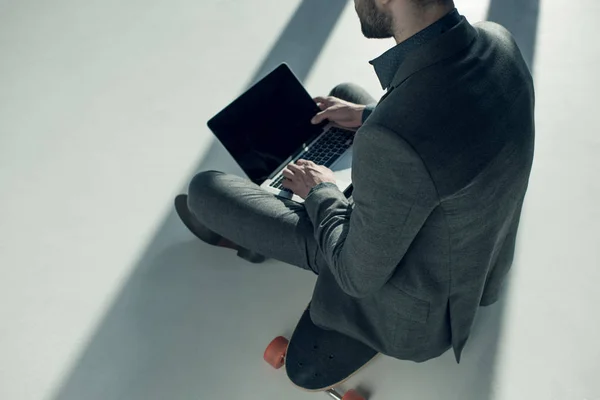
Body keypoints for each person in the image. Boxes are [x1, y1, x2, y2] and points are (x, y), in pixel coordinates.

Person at [175, 0, 534, 363]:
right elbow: (452, 120)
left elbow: (354, 274)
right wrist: (367, 115)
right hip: (473, 263)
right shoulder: (498, 42)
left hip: (411, 311)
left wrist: (321, 190)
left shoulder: (394, 138)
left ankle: (253, 238)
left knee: (205, 191)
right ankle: (267, 221)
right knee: (345, 94)